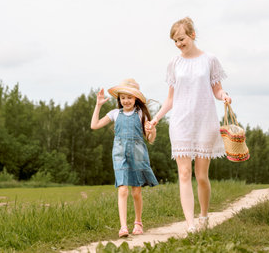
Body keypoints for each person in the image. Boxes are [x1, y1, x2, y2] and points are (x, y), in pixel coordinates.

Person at [148, 17, 232, 233]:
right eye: (175, 41)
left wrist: (224, 96)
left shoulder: (210, 60)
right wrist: (156, 118)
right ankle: (190, 224)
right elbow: (170, 99)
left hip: (205, 121)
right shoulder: (174, 64)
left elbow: (217, 90)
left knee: (202, 176)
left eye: (182, 39)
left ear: (192, 35)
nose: (179, 44)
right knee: (184, 174)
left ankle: (204, 217)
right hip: (180, 122)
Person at [91, 78, 159, 238]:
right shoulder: (115, 114)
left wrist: (152, 130)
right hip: (119, 155)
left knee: (136, 191)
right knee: (122, 189)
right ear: (119, 99)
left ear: (136, 98)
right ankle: (123, 226)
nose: (126, 101)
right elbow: (94, 125)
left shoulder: (141, 114)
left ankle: (138, 222)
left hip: (138, 155)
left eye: (129, 97)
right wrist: (98, 105)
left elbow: (150, 139)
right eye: (123, 97)